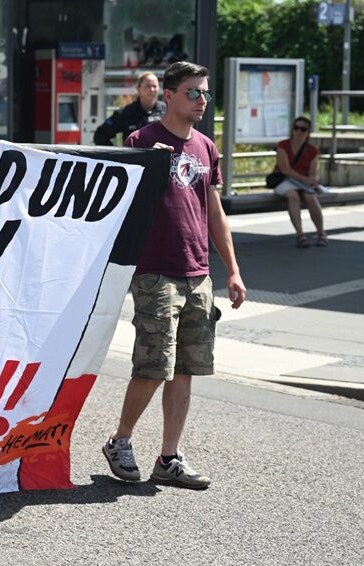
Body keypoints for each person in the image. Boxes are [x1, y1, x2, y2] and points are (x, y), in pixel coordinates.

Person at [102, 61, 246, 491]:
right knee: (153, 365)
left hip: (197, 271)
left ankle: (169, 457)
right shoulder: (142, 140)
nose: (201, 100)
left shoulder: (205, 147)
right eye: (193, 92)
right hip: (154, 272)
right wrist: (148, 167)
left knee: (185, 368)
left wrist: (233, 271)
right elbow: (122, 203)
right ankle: (120, 440)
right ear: (169, 95)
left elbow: (214, 212)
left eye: (205, 93)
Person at [272, 116, 327, 248]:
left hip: (302, 183)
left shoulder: (312, 150)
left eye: (303, 129)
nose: (298, 131)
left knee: (311, 197)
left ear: (308, 132)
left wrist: (314, 181)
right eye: (296, 128)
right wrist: (306, 180)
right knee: (293, 196)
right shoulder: (283, 145)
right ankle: (300, 234)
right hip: (284, 180)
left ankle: (321, 233)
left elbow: (313, 171)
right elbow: (285, 169)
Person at [93, 71, 165, 146]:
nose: (152, 90)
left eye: (155, 86)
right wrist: (115, 155)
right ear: (138, 88)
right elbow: (100, 135)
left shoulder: (167, 111)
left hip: (159, 157)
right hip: (134, 157)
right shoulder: (126, 113)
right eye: (148, 86)